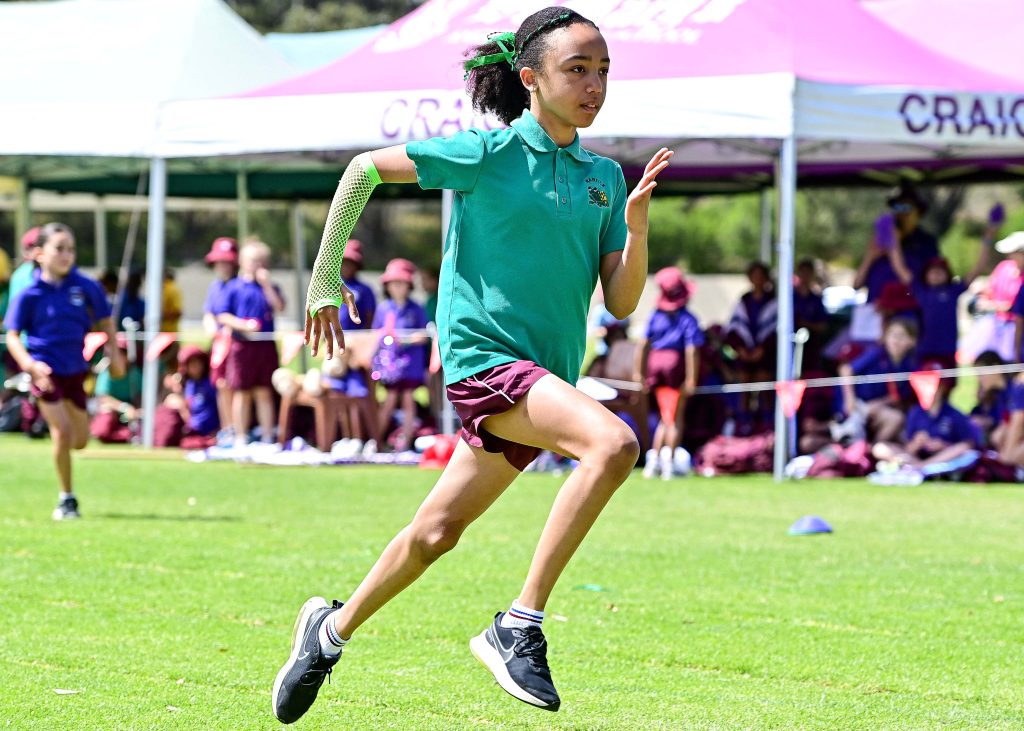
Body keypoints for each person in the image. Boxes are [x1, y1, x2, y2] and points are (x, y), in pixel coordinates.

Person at [272, 7, 672, 723]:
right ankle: (520, 623)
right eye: (577, 69)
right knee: (614, 443)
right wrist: (324, 277)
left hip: (544, 379)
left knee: (435, 535)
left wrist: (637, 227)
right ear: (530, 78)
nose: (594, 83)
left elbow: (620, 299)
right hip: (488, 364)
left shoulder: (607, 177)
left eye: (603, 69)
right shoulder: (488, 153)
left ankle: (328, 633)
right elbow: (363, 169)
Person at [3, 222, 125, 519]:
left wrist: (115, 353)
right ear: (39, 253)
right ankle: (66, 499)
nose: (66, 255)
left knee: (80, 440)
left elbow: (106, 322)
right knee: (62, 430)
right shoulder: (29, 293)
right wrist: (30, 365)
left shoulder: (86, 287)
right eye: (59, 248)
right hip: (45, 371)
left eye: (71, 249)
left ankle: (63, 458)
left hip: (76, 371)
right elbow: (12, 336)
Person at [214, 239, 285, 447]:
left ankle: (267, 436)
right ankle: (240, 436)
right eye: (254, 261)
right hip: (242, 346)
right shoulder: (233, 287)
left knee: (264, 392)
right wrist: (243, 325)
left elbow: (279, 307)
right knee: (242, 392)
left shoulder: (270, 287)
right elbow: (222, 315)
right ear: (243, 262)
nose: (258, 265)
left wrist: (266, 285)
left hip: (265, 346)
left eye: (262, 261)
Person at [639, 266, 702, 480]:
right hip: (674, 366)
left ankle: (654, 461)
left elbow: (643, 345)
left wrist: (639, 373)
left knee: (664, 417)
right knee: (675, 418)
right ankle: (669, 463)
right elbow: (692, 349)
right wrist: (692, 378)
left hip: (655, 365)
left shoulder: (655, 316)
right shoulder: (688, 319)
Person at [872, 362, 981, 473]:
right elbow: (908, 449)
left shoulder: (954, 414)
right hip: (916, 458)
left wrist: (942, 446)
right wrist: (916, 444)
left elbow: (967, 444)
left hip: (943, 459)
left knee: (964, 450)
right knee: (880, 448)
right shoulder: (915, 413)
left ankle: (923, 467)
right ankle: (918, 466)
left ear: (943, 387)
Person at [371, 258, 429, 452]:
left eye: (401, 283)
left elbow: (424, 334)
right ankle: (376, 441)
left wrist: (406, 340)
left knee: (408, 401)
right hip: (389, 365)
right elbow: (376, 334)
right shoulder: (383, 308)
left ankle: (405, 443)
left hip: (411, 364)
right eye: (393, 283)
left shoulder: (416, 308)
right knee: (389, 401)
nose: (397, 287)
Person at [837, 317, 919, 443]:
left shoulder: (908, 366)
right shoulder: (876, 354)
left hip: (876, 408)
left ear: (912, 341)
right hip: (854, 405)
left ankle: (872, 450)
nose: (896, 341)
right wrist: (850, 398)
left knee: (902, 433)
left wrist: (879, 403)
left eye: (902, 336)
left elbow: (897, 397)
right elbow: (846, 370)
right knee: (895, 419)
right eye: (893, 335)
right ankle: (868, 452)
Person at [725, 261, 777, 431]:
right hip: (745, 354)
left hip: (765, 355)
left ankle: (766, 424)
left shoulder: (772, 301)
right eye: (754, 276)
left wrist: (762, 349)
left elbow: (775, 330)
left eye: (761, 276)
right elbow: (734, 328)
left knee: (765, 388)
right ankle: (743, 425)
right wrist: (741, 349)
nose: (758, 279)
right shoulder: (744, 300)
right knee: (744, 389)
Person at [203, 236, 239, 442]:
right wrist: (210, 324)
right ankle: (226, 427)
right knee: (221, 386)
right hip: (219, 346)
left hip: (235, 345)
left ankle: (236, 427)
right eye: (220, 262)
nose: (224, 266)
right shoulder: (214, 286)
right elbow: (209, 311)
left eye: (227, 262)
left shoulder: (238, 285)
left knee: (233, 387)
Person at [969, 350, 1009, 450]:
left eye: (981, 374)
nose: (979, 379)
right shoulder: (997, 395)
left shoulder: (1014, 391)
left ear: (995, 368)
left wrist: (988, 421)